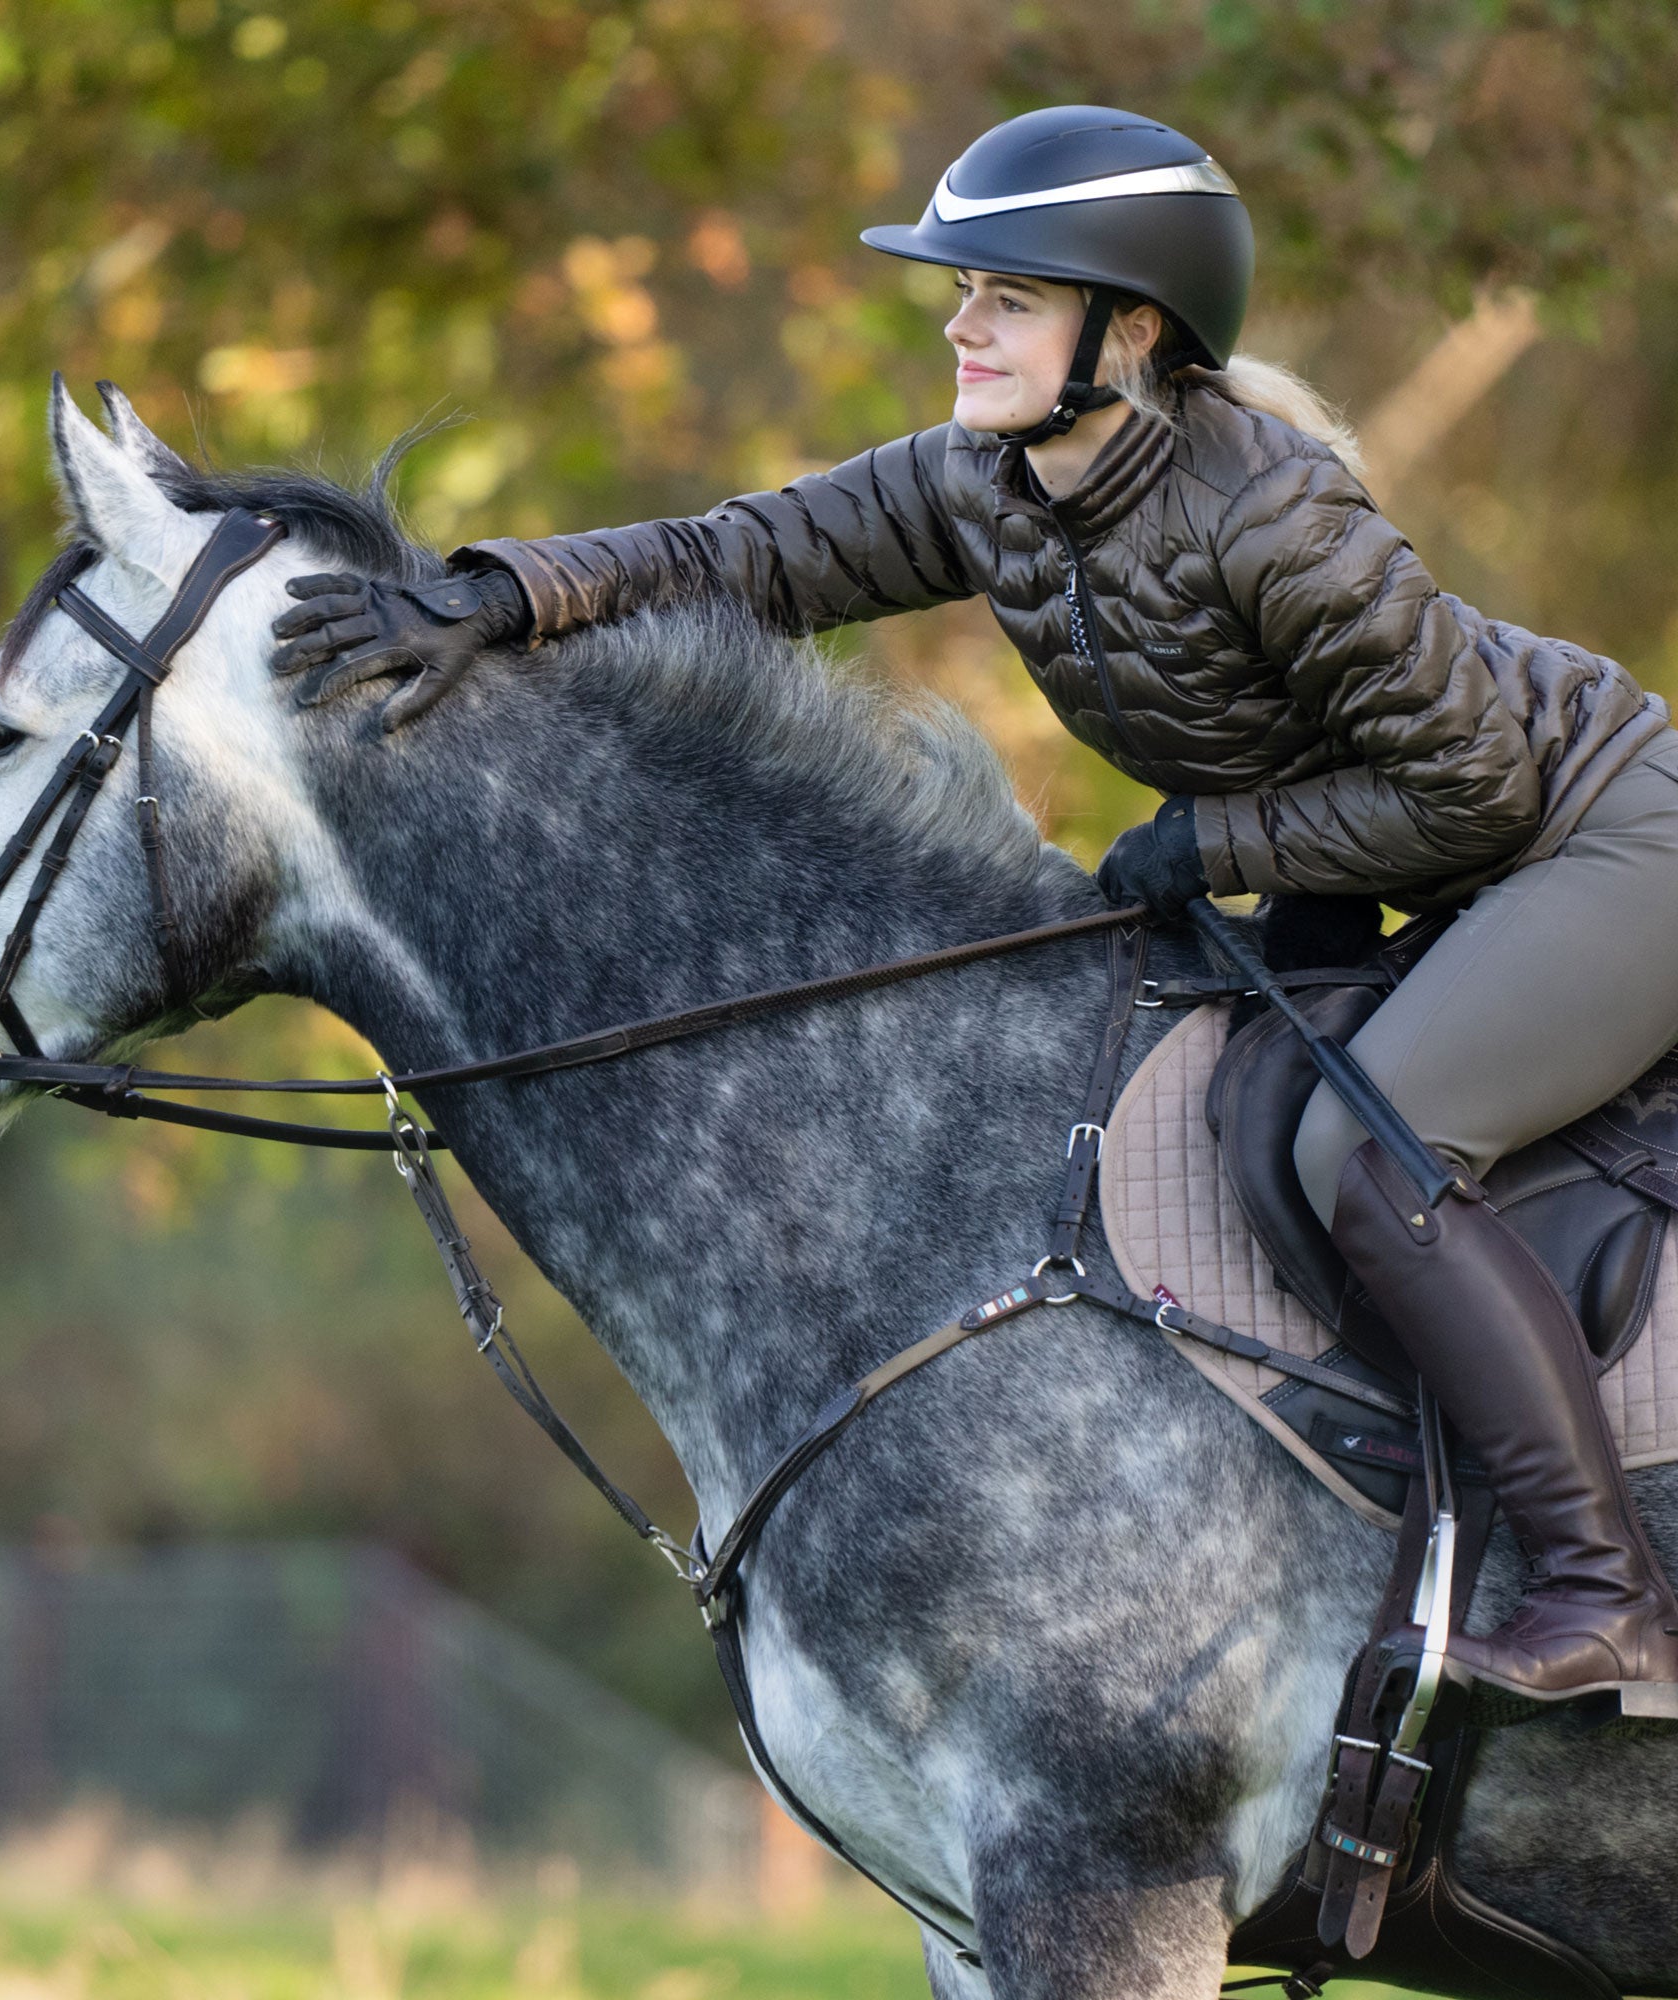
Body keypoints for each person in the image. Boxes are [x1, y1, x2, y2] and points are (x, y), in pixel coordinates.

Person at [269, 104, 1678, 1711]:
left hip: (1600, 845)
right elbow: (748, 557)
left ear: (1124, 330)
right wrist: (495, 594)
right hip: (1381, 860)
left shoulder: (1276, 514)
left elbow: (1481, 791)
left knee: (1363, 1154)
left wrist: (1214, 839)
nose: (958, 322)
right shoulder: (981, 479)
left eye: (1003, 294)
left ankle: (1605, 1590)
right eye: (964, 291)